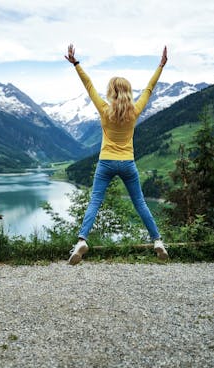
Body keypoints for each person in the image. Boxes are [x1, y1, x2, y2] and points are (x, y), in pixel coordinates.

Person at [64, 44, 169, 265]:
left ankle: (82, 240)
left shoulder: (104, 109)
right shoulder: (135, 110)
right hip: (128, 164)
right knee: (140, 203)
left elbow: (88, 85)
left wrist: (76, 64)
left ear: (111, 92)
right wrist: (160, 66)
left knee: (95, 202)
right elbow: (150, 88)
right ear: (129, 92)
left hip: (106, 163)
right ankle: (157, 240)